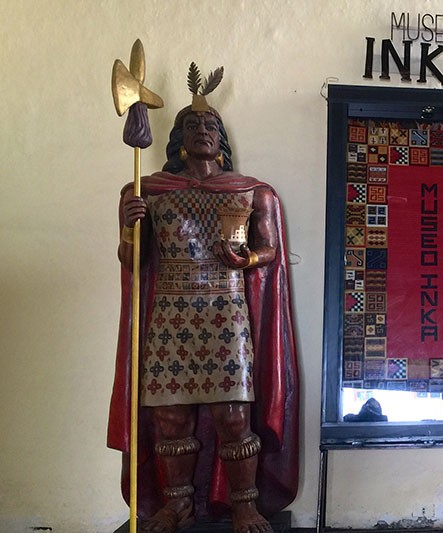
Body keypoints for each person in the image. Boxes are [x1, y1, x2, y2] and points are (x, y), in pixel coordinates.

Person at [107, 75, 298, 533]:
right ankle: (177, 506)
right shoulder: (146, 190)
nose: (203, 130)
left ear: (222, 139)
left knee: (234, 417)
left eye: (211, 124)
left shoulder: (252, 192)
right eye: (192, 125)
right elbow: (134, 261)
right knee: (171, 418)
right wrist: (129, 228)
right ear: (179, 140)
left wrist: (247, 256)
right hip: (170, 313)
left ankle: (244, 505)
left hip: (226, 313)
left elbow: (269, 251)